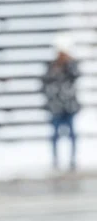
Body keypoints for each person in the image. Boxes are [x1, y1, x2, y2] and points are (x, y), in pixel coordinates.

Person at [43, 33, 81, 171]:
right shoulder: (51, 66)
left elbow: (75, 76)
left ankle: (72, 160)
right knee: (55, 135)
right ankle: (56, 160)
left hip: (69, 106)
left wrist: (68, 63)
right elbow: (45, 82)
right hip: (56, 106)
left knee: (72, 135)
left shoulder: (71, 65)